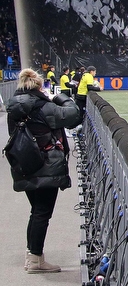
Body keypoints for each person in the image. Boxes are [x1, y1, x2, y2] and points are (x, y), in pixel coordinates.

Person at [5, 68, 81, 273]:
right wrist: (61, 98)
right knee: (42, 213)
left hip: (25, 162)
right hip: (47, 164)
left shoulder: (15, 108)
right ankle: (35, 260)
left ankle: (32, 254)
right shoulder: (43, 106)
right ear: (39, 86)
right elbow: (73, 116)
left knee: (36, 211)